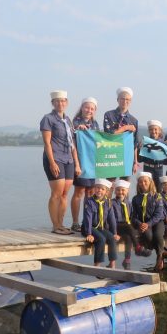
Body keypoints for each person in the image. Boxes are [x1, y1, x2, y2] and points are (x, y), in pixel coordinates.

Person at [40, 90, 81, 235]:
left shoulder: (68, 120)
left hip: (69, 159)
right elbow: (47, 143)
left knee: (65, 194)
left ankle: (62, 224)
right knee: (56, 194)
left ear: (67, 102)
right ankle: (55, 226)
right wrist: (52, 162)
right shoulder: (48, 119)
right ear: (53, 103)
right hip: (55, 159)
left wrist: (76, 163)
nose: (60, 103)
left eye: (63, 100)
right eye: (57, 101)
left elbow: (72, 144)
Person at [70, 97, 100, 232]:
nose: (89, 110)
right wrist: (78, 129)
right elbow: (72, 145)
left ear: (95, 110)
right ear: (82, 107)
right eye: (87, 107)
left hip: (93, 164)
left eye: (92, 108)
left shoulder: (96, 125)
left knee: (90, 192)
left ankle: (87, 221)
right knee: (79, 192)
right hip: (81, 163)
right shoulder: (73, 123)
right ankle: (75, 222)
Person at [111, 179, 151, 269]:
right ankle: (138, 247)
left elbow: (132, 217)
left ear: (127, 191)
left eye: (123, 190)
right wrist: (114, 233)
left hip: (127, 228)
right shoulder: (112, 203)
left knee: (128, 237)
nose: (120, 192)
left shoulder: (128, 203)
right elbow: (111, 220)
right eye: (118, 190)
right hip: (116, 227)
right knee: (128, 226)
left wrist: (140, 225)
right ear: (115, 191)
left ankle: (127, 260)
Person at [131, 172, 166, 271]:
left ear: (150, 182)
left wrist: (149, 224)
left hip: (157, 222)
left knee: (158, 235)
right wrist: (139, 224)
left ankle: (159, 257)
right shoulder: (135, 199)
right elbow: (133, 217)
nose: (143, 183)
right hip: (143, 223)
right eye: (140, 182)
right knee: (148, 236)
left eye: (145, 181)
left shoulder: (157, 196)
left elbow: (159, 214)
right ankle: (160, 251)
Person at [82, 179, 119, 268]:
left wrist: (114, 233)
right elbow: (88, 219)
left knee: (111, 238)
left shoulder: (108, 202)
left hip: (101, 228)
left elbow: (112, 219)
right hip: (89, 227)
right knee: (101, 239)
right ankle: (97, 265)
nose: (99, 190)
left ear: (106, 191)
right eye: (97, 188)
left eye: (102, 189)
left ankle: (112, 264)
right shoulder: (89, 201)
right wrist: (89, 233)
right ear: (94, 189)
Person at [103, 87, 139, 179]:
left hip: (126, 157)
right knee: (109, 185)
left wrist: (135, 162)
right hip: (112, 155)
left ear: (130, 101)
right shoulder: (109, 115)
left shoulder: (134, 120)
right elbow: (110, 134)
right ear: (118, 100)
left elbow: (134, 144)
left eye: (127, 99)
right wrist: (126, 127)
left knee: (124, 187)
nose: (125, 101)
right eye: (122, 98)